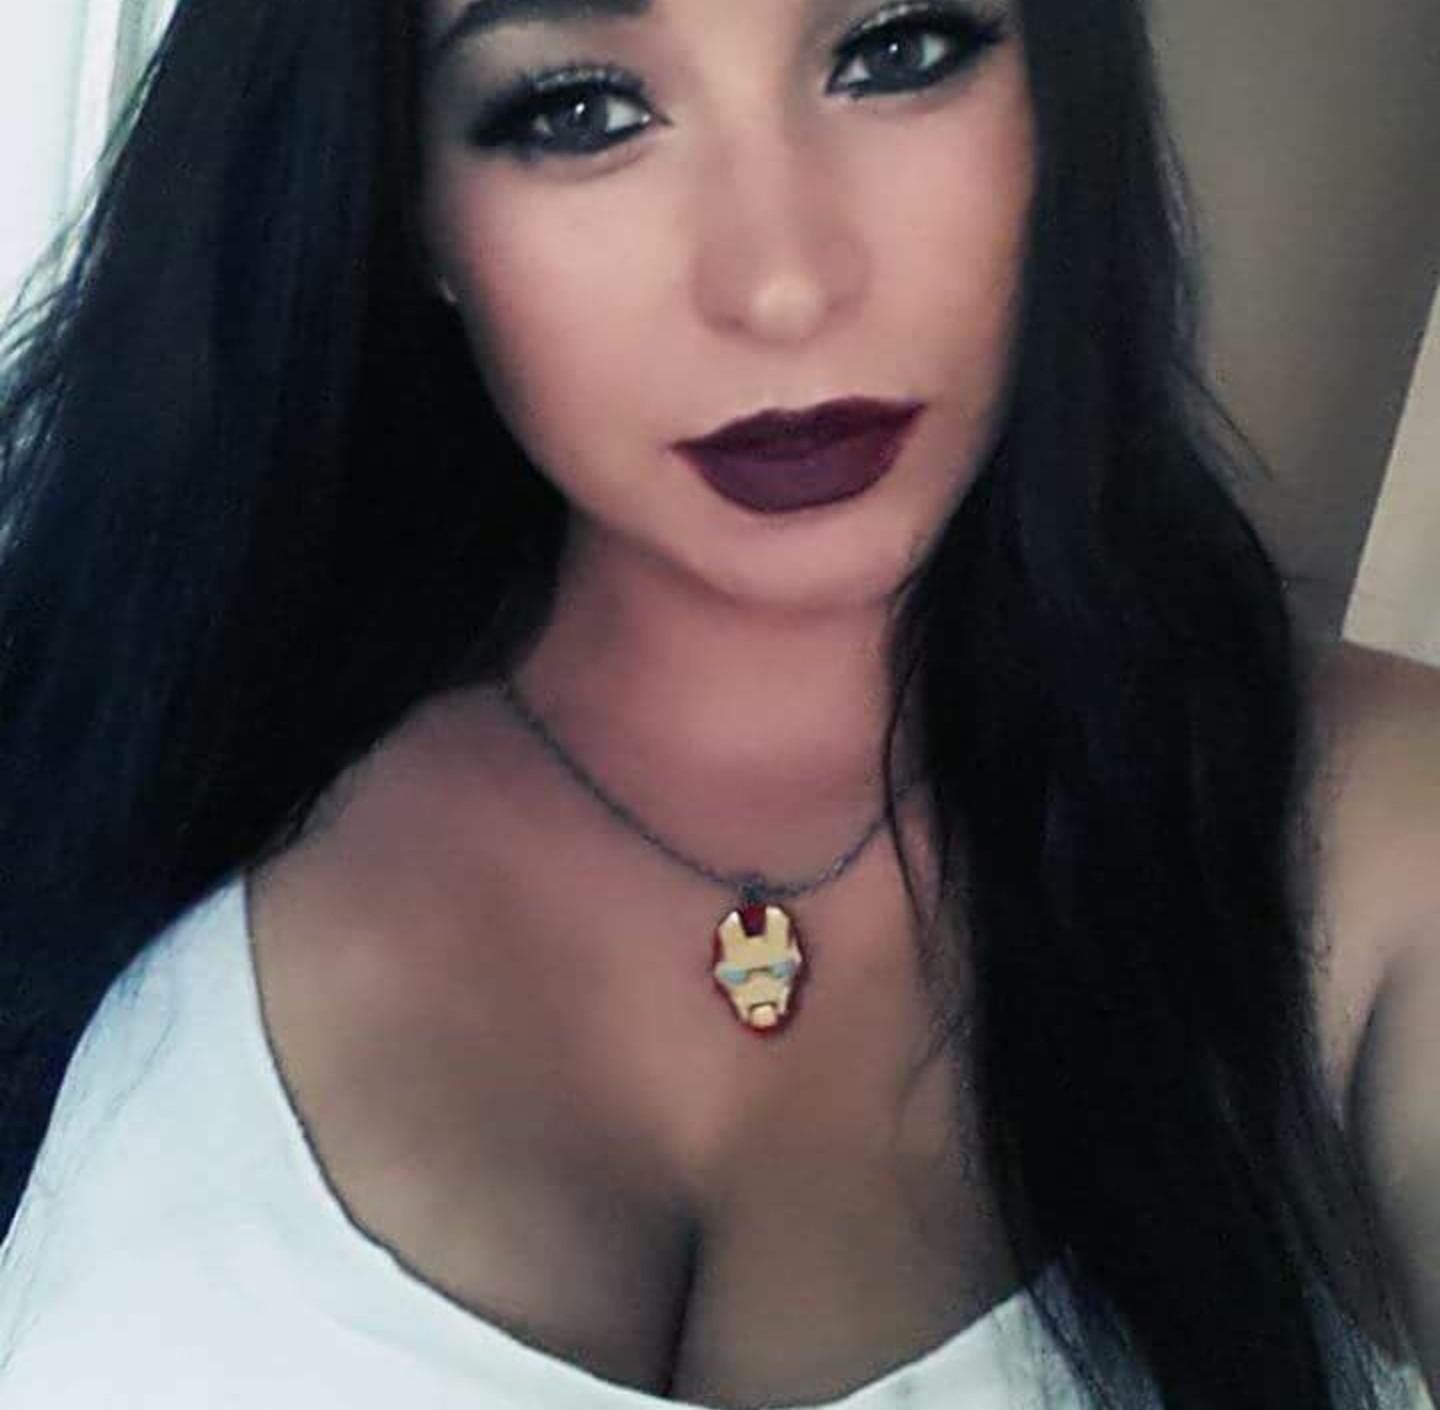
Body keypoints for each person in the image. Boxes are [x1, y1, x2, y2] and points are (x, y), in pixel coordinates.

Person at [0, 0, 1435, 1406]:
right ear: (408, 201)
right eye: (579, 109)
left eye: (896, 52)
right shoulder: (88, 749)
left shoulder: (1377, 840)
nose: (783, 285)